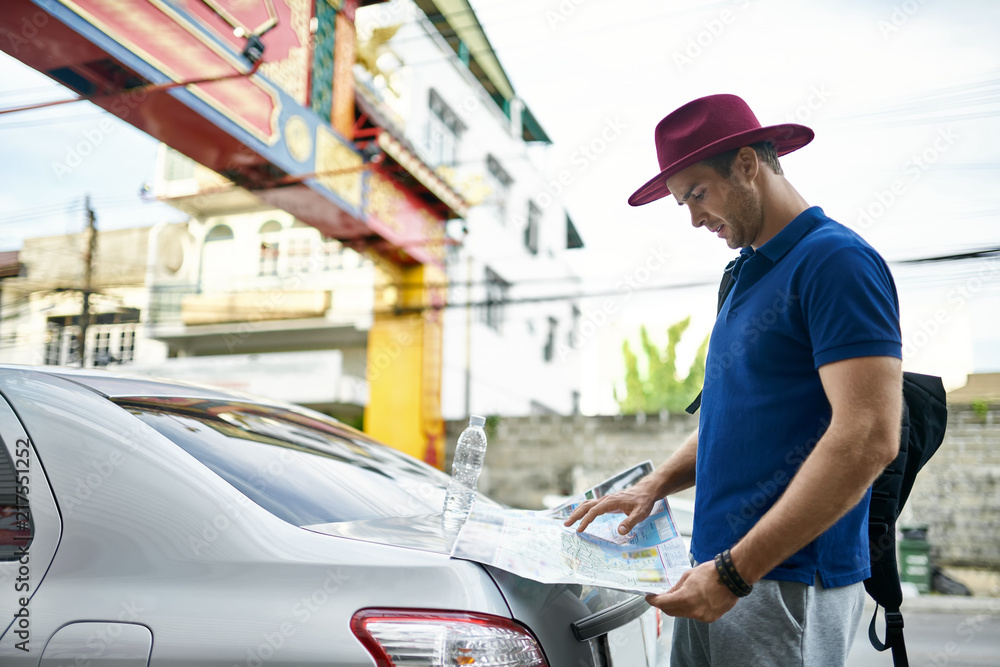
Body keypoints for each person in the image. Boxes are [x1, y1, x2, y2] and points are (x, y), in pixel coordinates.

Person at [564, 94, 903, 666]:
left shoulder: (834, 261)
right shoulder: (747, 272)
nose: (693, 217)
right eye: (682, 203)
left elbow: (869, 436)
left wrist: (734, 574)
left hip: (780, 581)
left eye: (697, 193)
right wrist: (654, 486)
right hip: (716, 572)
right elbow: (738, 416)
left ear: (748, 165)